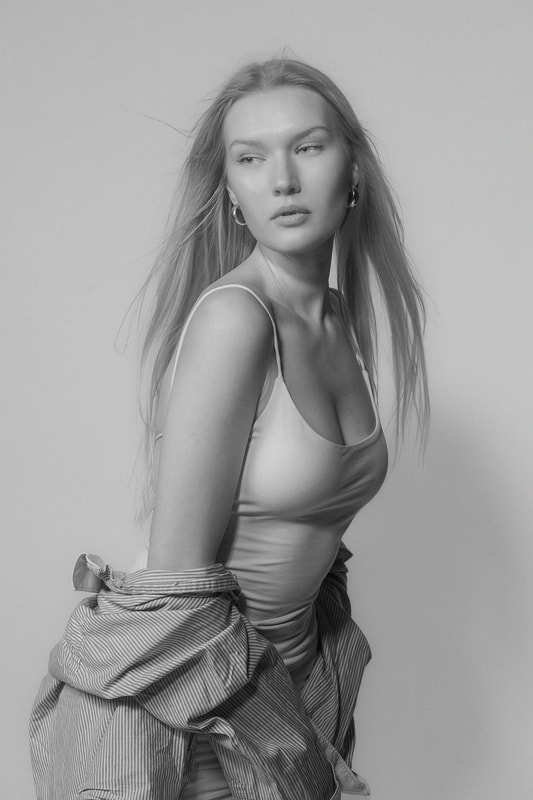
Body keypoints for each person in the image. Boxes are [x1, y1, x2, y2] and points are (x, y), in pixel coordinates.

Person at [30, 58, 429, 800]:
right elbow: (179, 594)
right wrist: (299, 751)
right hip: (200, 719)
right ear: (232, 195)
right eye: (251, 158)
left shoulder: (338, 319)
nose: (283, 179)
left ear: (353, 171)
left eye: (307, 147)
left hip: (296, 692)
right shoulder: (235, 320)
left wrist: (316, 715)